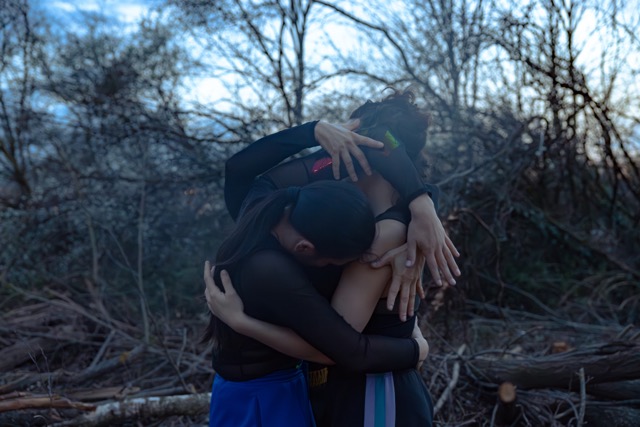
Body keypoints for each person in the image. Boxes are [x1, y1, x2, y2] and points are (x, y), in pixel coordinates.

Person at [207, 90, 452, 426]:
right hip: (338, 390)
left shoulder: (387, 232)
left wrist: (418, 348)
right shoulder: (351, 220)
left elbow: (337, 348)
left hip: (375, 392)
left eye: (346, 141)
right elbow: (242, 171)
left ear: (371, 151)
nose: (330, 154)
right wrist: (423, 200)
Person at [205, 178, 430, 427]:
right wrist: (417, 350)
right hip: (259, 399)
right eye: (333, 264)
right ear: (305, 247)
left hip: (281, 386)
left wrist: (421, 210)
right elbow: (348, 351)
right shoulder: (269, 268)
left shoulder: (271, 212)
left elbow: (244, 171)